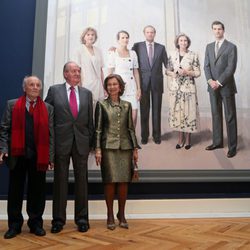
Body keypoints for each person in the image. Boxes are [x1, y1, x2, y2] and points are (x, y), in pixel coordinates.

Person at [0, 76, 54, 239]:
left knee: (37, 191)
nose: (35, 87)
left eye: (38, 85)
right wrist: (3, 149)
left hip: (39, 156)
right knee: (15, 191)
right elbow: (4, 129)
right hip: (17, 155)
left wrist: (51, 156)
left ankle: (35, 223)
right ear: (25, 88)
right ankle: (14, 225)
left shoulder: (48, 108)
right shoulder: (12, 105)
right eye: (31, 85)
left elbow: (51, 134)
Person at [45, 61, 94, 233]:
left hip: (81, 143)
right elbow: (46, 115)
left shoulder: (87, 94)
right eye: (73, 71)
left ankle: (82, 219)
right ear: (65, 73)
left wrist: (92, 144)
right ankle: (58, 220)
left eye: (79, 71)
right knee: (60, 182)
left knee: (82, 182)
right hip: (61, 142)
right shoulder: (54, 90)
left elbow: (90, 121)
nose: (77, 74)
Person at [95, 74, 139, 230]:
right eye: (109, 84)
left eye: (115, 84)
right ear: (106, 87)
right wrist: (98, 149)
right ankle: (109, 215)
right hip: (108, 148)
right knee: (109, 181)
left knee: (123, 182)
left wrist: (135, 149)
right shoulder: (101, 104)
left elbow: (130, 129)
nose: (112, 87)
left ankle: (122, 214)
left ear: (120, 87)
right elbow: (98, 129)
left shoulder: (127, 105)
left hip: (125, 148)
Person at [204, 21, 237, 158]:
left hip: (226, 87)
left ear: (223, 30)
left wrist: (218, 82)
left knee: (230, 116)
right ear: (212, 31)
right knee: (216, 115)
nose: (217, 31)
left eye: (219, 29)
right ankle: (217, 142)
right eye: (215, 29)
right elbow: (206, 66)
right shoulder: (209, 46)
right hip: (212, 87)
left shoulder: (231, 47)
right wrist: (210, 81)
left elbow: (231, 68)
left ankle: (232, 147)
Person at [132, 25, 168, 144]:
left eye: (152, 32)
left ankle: (157, 136)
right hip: (143, 83)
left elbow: (168, 64)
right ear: (144, 33)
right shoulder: (137, 46)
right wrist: (114, 50)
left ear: (155, 33)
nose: (150, 34)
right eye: (148, 32)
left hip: (157, 83)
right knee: (144, 111)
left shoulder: (161, 48)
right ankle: (144, 136)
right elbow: (128, 56)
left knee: (157, 110)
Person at [166, 33, 201, 149]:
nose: (183, 42)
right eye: (181, 40)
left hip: (188, 89)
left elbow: (198, 72)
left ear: (188, 42)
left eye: (185, 40)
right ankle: (180, 139)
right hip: (176, 89)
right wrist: (174, 73)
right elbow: (167, 71)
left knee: (189, 113)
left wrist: (187, 72)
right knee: (178, 114)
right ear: (177, 42)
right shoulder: (172, 54)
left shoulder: (193, 55)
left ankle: (188, 139)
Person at [107, 30, 141, 127]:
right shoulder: (113, 53)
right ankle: (122, 140)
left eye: (127, 37)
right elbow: (110, 73)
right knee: (120, 116)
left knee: (134, 115)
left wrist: (139, 88)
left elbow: (136, 72)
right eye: (122, 37)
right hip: (118, 87)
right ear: (118, 40)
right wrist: (109, 89)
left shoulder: (133, 53)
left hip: (132, 86)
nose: (125, 39)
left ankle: (132, 139)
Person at [73, 27, 105, 105]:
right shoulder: (79, 50)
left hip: (98, 85)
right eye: (88, 35)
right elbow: (77, 70)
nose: (91, 36)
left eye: (93, 35)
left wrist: (104, 86)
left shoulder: (98, 50)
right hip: (86, 83)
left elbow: (101, 70)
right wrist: (79, 86)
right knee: (87, 108)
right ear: (84, 37)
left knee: (98, 109)